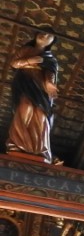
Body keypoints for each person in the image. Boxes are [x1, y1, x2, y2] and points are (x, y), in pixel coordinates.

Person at [6, 28, 59, 163]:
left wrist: (50, 83)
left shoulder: (50, 59)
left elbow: (51, 72)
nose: (44, 35)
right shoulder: (26, 50)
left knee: (40, 116)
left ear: (52, 41)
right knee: (25, 107)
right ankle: (18, 144)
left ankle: (39, 148)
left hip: (40, 89)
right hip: (25, 83)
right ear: (35, 35)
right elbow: (14, 63)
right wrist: (31, 60)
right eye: (42, 32)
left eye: (49, 35)